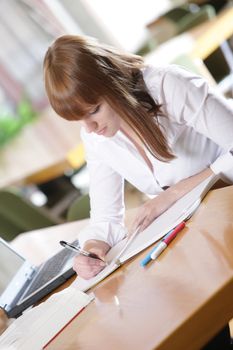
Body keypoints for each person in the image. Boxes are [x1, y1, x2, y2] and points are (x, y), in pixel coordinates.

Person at [43, 34, 233, 280]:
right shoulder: (95, 137)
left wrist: (173, 194)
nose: (90, 128)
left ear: (113, 83)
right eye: (79, 119)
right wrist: (92, 247)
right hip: (205, 227)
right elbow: (105, 216)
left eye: (94, 111)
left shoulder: (167, 85)